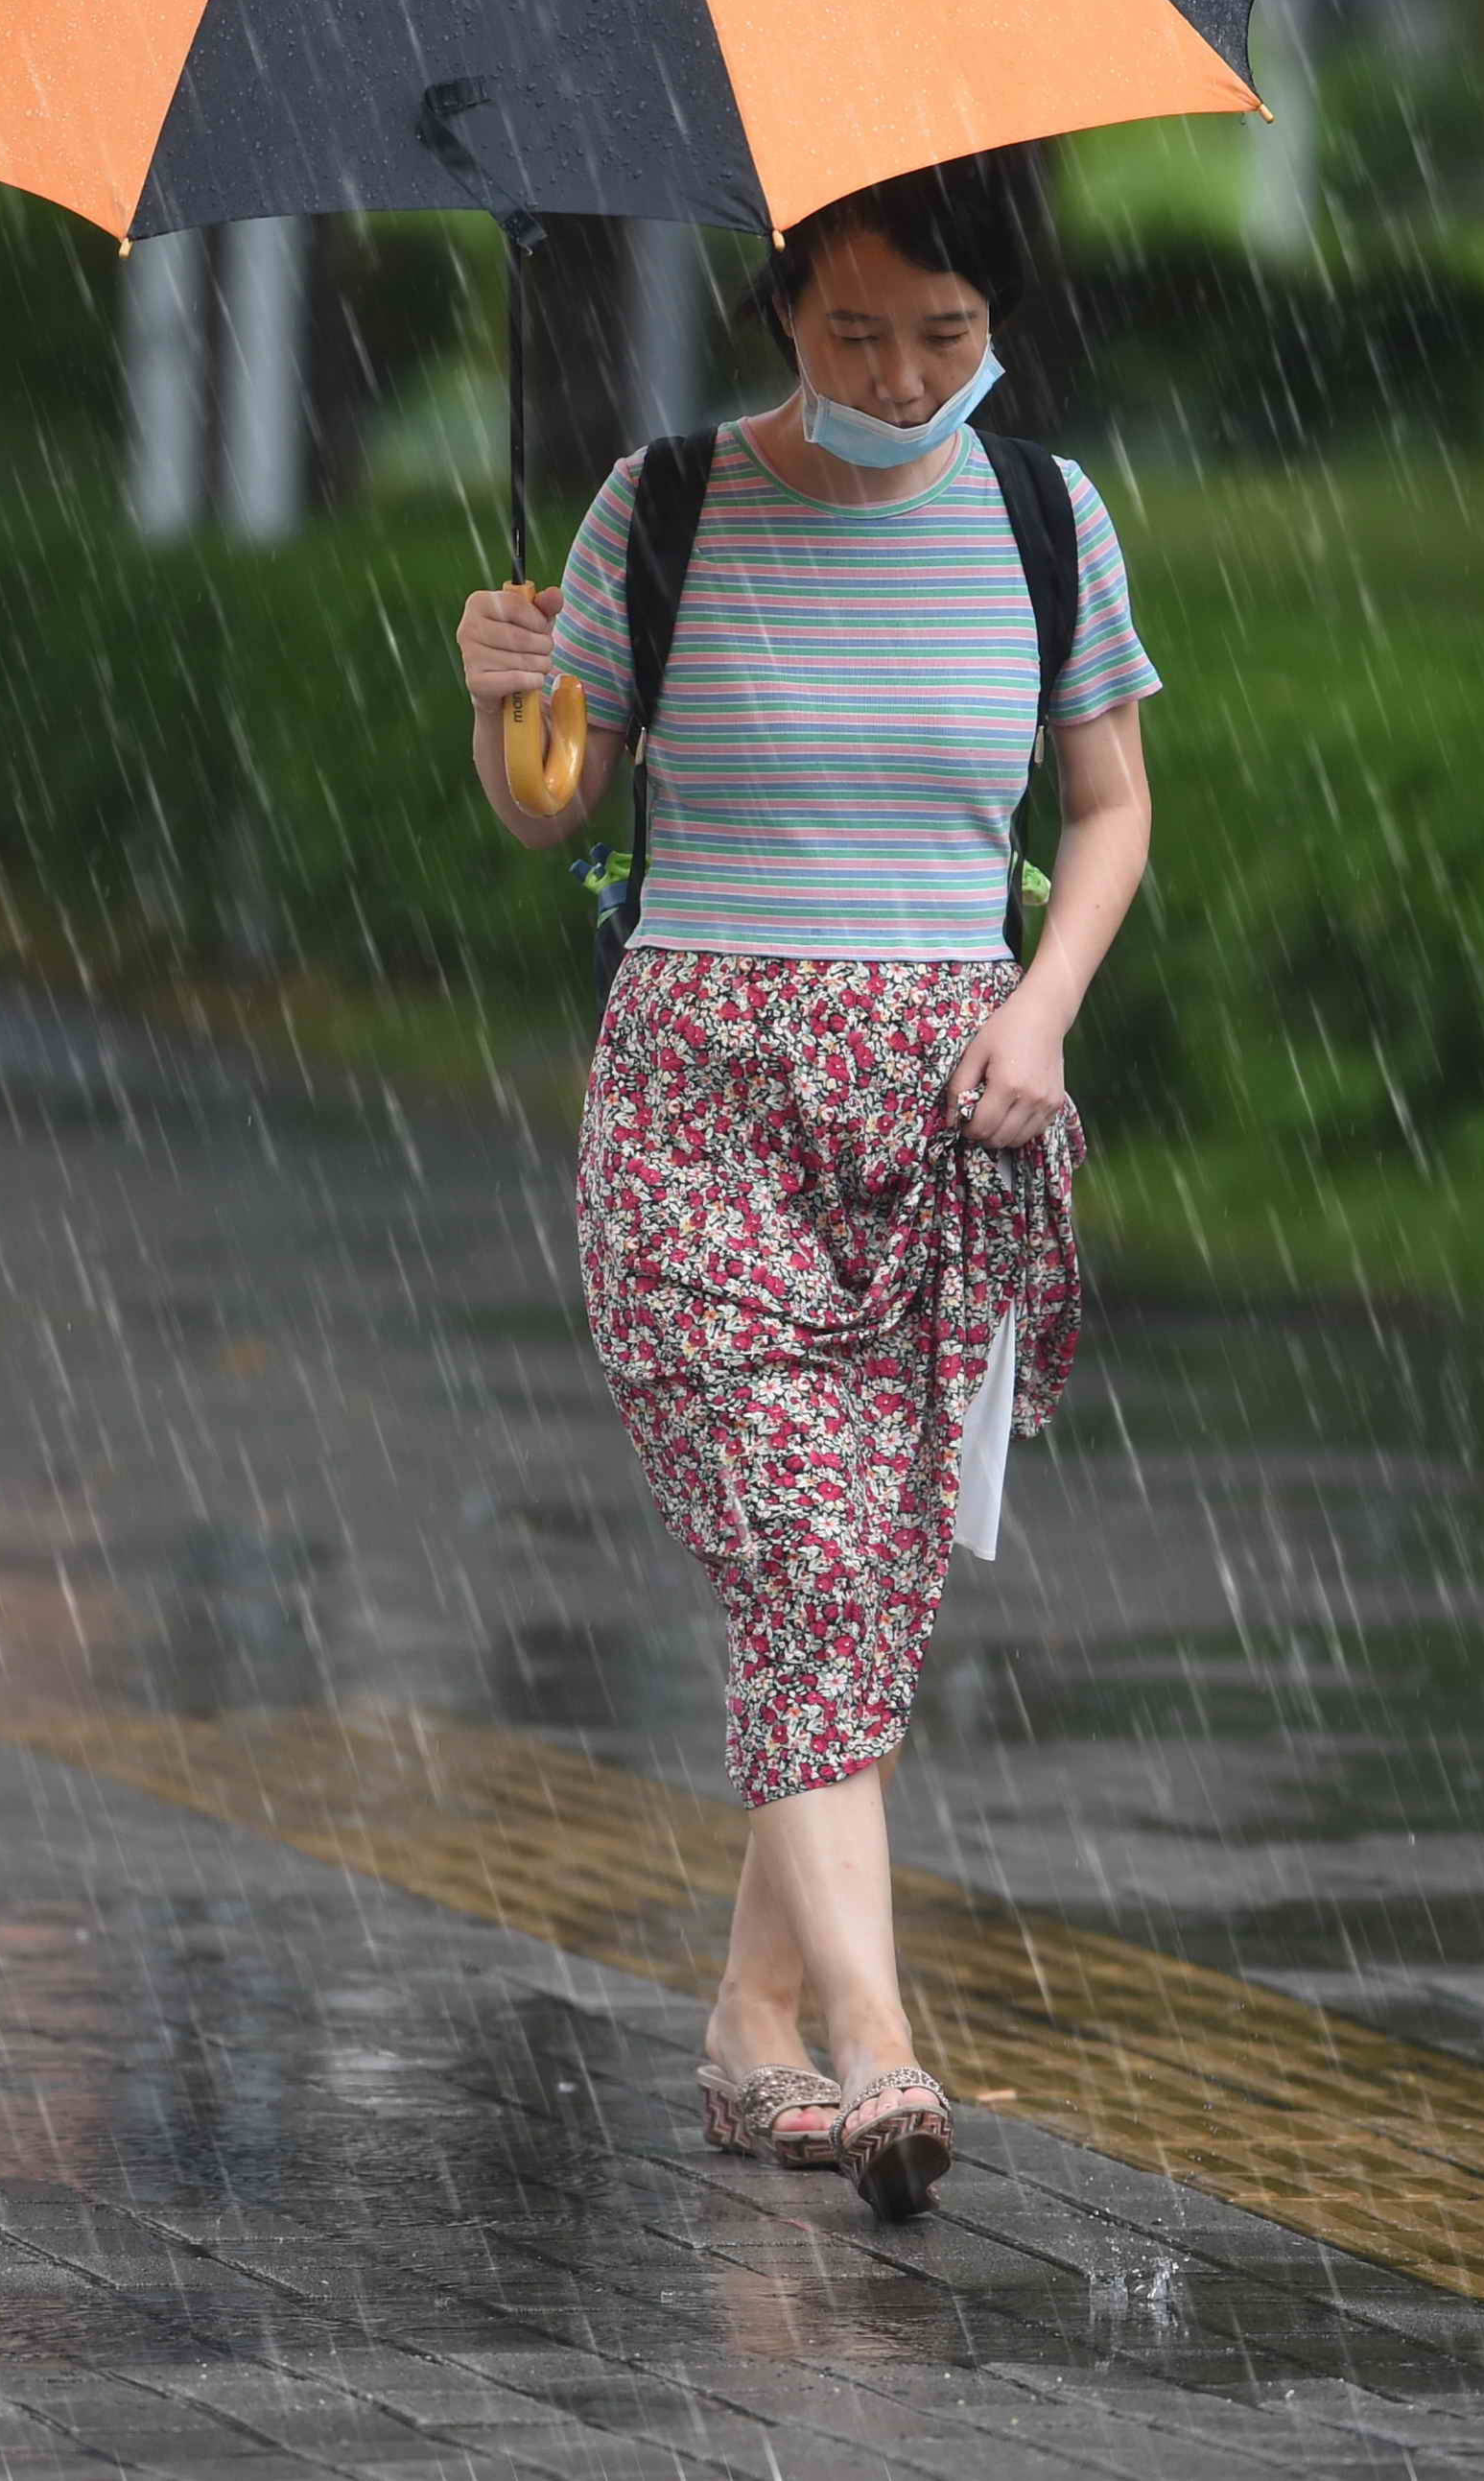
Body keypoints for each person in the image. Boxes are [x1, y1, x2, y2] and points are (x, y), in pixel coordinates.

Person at [451, 160, 1158, 2223]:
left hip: (947, 1109)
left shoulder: (1045, 515)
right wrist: (510, 699)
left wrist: (1039, 1013)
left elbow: (1107, 808)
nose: (900, 376)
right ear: (783, 309)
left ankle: (750, 2036)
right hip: (698, 1104)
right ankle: (879, 2047)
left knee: (855, 1583)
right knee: (803, 1549)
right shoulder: (659, 504)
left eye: (945, 339)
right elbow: (545, 807)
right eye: (857, 337)